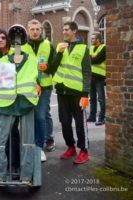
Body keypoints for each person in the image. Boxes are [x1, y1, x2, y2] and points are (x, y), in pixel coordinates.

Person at [0, 24, 41, 184]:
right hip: (6, 105)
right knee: (1, 141)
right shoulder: (3, 61)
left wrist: (38, 83)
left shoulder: (32, 60)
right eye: (14, 37)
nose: (16, 40)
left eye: (19, 37)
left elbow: (37, 77)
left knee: (27, 141)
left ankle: (26, 174)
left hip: (26, 103)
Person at [51, 21, 91, 164]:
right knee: (65, 123)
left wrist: (85, 94)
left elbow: (87, 72)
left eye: (67, 30)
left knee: (80, 124)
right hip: (62, 92)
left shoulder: (83, 49)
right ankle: (71, 148)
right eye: (63, 30)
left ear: (74, 31)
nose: (64, 32)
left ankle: (84, 151)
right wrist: (59, 54)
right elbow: (53, 67)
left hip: (77, 93)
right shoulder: (60, 47)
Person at [21, 19, 55, 162]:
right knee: (41, 114)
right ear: (28, 30)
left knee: (40, 115)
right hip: (29, 86)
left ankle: (39, 146)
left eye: (37, 29)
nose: (35, 32)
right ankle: (48, 137)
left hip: (45, 86)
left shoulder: (48, 45)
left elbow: (55, 65)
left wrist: (47, 67)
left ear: (41, 30)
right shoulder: (22, 46)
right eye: (32, 29)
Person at [87, 33, 106, 126]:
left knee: (101, 98)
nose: (91, 40)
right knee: (92, 98)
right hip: (91, 77)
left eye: (93, 38)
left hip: (100, 77)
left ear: (98, 39)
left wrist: (92, 57)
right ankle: (92, 116)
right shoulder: (91, 47)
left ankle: (102, 118)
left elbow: (98, 60)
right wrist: (92, 57)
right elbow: (88, 60)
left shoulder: (104, 48)